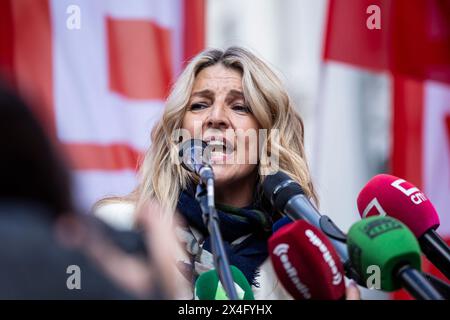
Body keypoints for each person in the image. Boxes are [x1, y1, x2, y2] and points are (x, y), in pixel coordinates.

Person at [96, 46, 361, 299]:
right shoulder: (122, 227)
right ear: (178, 135)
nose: (216, 117)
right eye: (199, 105)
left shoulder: (296, 267)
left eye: (240, 106)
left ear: (267, 137)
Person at [0, 82, 177, 299]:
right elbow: (76, 285)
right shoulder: (79, 236)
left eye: (234, 106)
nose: (216, 119)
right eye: (199, 105)